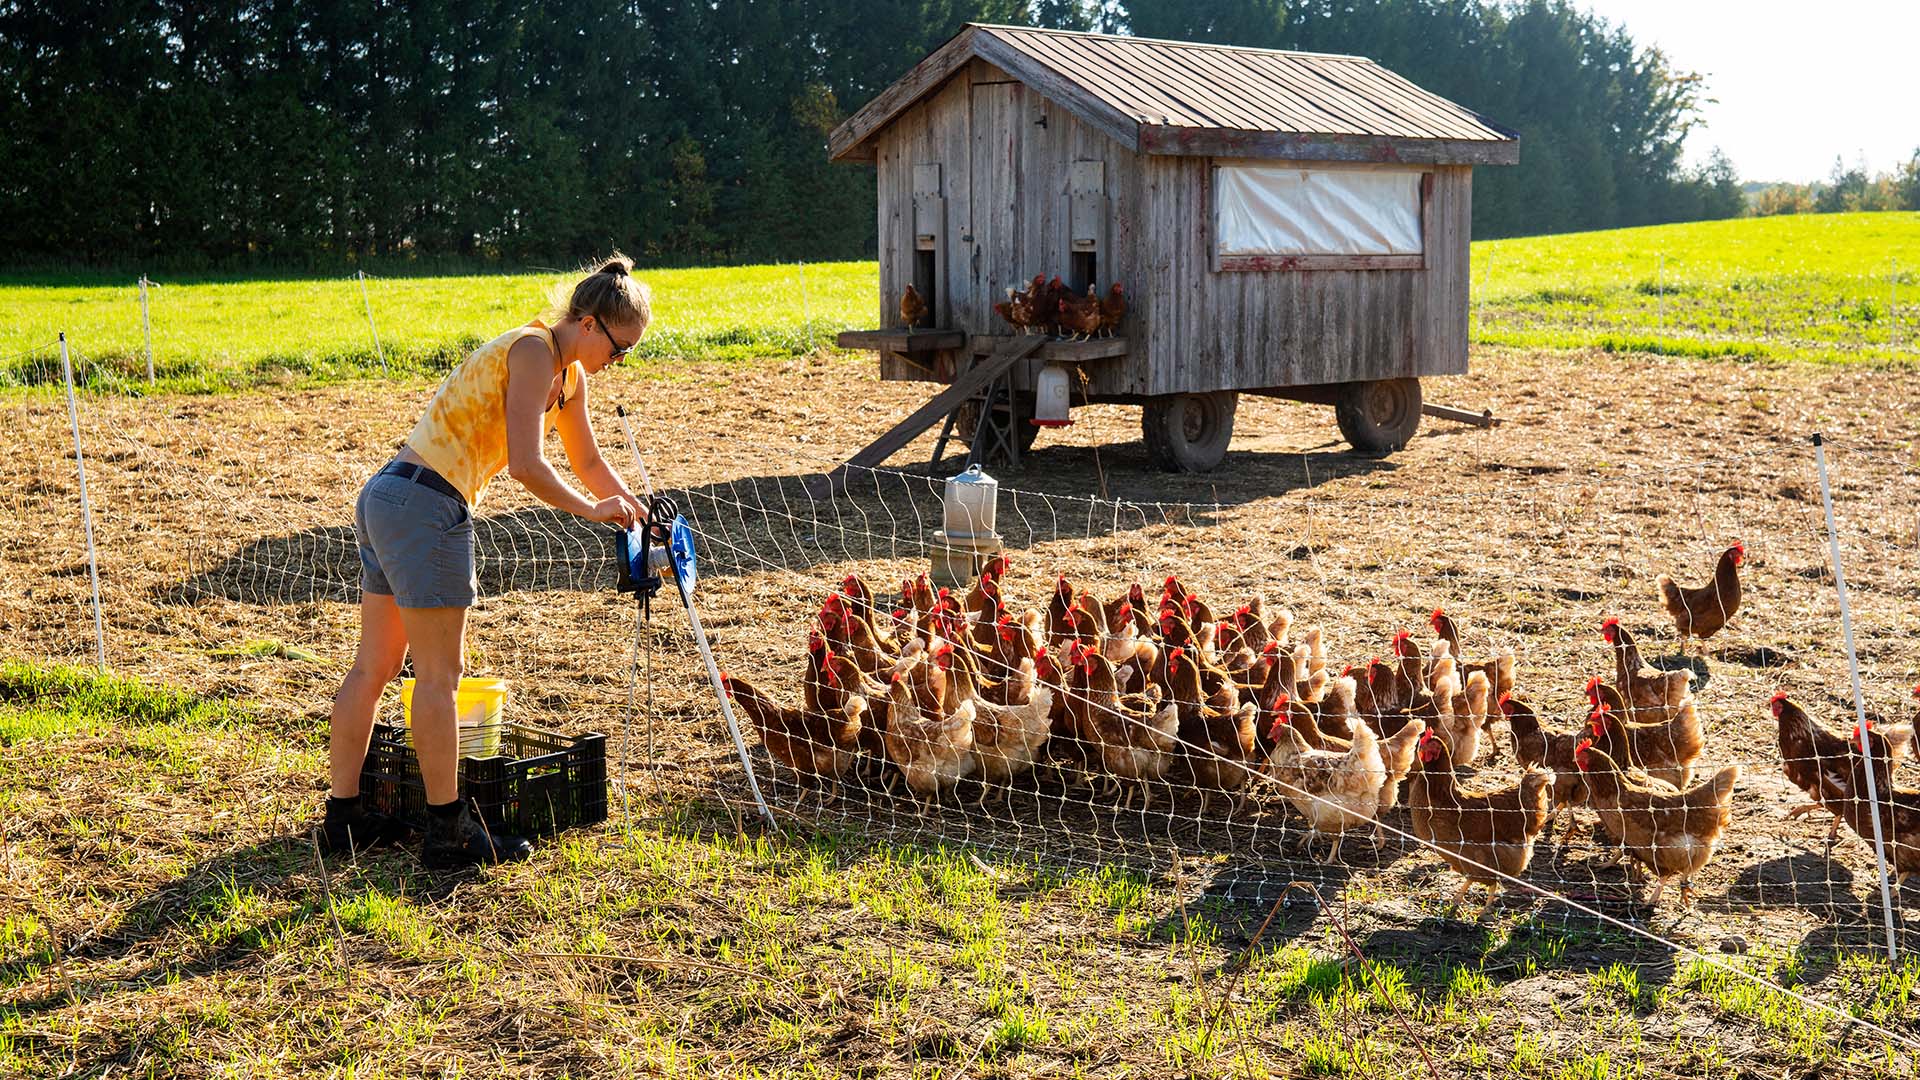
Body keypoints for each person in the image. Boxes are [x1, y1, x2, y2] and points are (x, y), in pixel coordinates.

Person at [322, 256, 650, 866]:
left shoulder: (569, 375)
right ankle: (447, 834)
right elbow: (528, 465)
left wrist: (632, 504)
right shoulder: (532, 352)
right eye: (620, 347)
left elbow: (587, 461)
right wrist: (592, 511)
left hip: (388, 495)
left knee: (375, 668)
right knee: (439, 677)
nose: (619, 361)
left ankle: (344, 821)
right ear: (586, 323)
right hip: (428, 506)